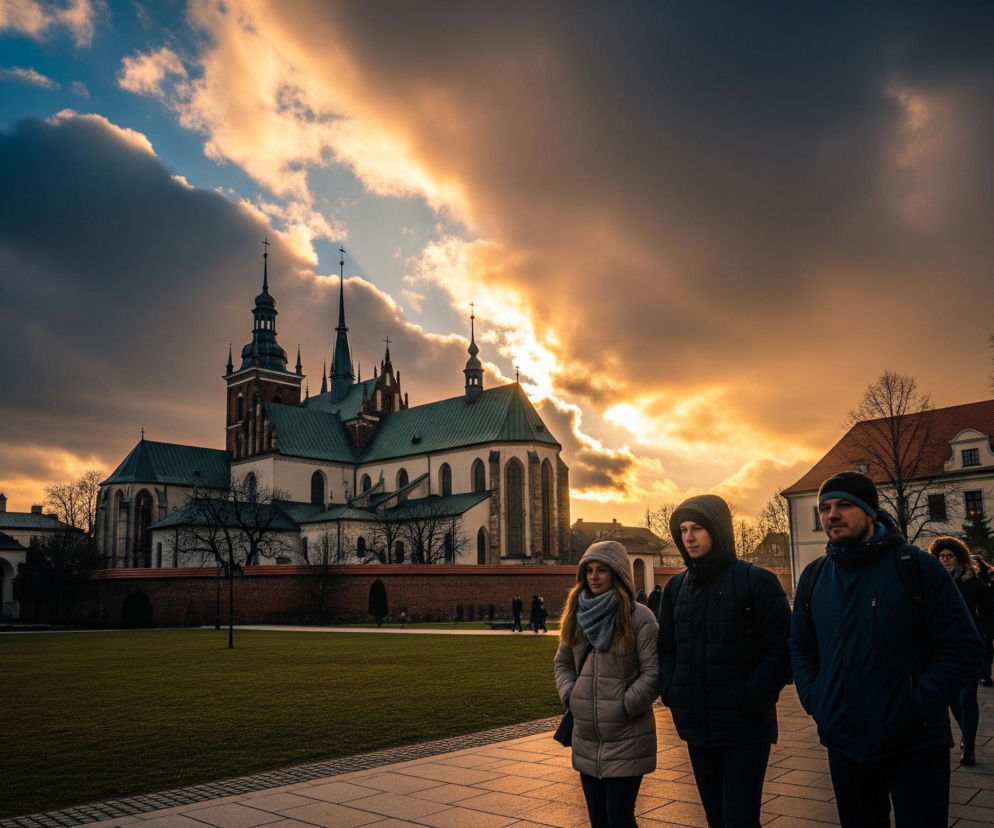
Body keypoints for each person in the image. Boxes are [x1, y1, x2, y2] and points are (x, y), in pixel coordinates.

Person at [790, 472, 982, 828]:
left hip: (915, 743)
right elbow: (800, 646)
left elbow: (964, 647)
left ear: (870, 512)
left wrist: (916, 702)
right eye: (824, 507)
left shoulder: (915, 566)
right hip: (844, 742)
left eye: (844, 505)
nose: (832, 514)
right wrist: (816, 698)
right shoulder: (815, 576)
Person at [657, 494, 791, 828]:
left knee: (740, 818)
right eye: (684, 529)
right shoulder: (676, 587)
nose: (689, 536)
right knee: (715, 817)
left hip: (745, 727)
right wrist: (673, 691)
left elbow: (783, 649)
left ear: (718, 530)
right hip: (697, 724)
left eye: (698, 528)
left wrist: (749, 697)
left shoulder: (755, 581)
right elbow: (666, 647)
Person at [554, 540, 659, 827]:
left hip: (627, 735)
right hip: (587, 737)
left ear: (618, 573)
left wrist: (624, 705)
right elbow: (562, 662)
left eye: (602, 570)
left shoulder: (640, 617)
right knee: (598, 819)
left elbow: (653, 672)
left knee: (619, 817)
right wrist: (571, 696)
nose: (594, 576)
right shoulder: (576, 615)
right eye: (589, 570)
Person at [930, 537, 994, 765]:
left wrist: (985, 636)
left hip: (969, 647)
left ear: (958, 557)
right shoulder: (933, 583)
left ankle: (969, 745)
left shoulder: (972, 583)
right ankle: (966, 735)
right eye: (941, 556)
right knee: (952, 698)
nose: (945, 560)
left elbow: (989, 612)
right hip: (942, 649)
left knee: (967, 696)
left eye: (949, 556)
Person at [972, 554, 994, 687]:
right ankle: (982, 674)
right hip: (976, 620)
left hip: (986, 619)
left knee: (987, 647)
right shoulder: (968, 581)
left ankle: (985, 674)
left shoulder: (989, 580)